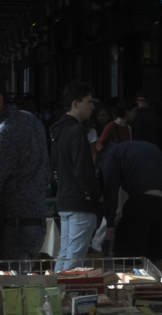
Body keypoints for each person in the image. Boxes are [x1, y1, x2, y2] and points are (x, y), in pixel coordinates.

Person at [0, 72, 51, 261]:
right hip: (35, 223)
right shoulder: (31, 120)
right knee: (21, 287)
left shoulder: (1, 133)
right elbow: (45, 175)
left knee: (9, 289)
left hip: (13, 228)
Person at [51, 80, 102, 272]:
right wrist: (97, 194)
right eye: (88, 102)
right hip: (80, 202)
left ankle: (57, 294)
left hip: (64, 199)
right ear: (75, 103)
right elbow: (84, 169)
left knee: (65, 255)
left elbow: (53, 167)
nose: (93, 107)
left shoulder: (58, 131)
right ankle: (64, 298)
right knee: (74, 260)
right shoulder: (77, 130)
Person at [102, 140, 162, 270]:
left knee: (128, 253)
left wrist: (110, 223)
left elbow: (111, 190)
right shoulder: (146, 147)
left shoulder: (111, 154)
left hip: (144, 198)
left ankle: (132, 288)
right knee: (156, 253)